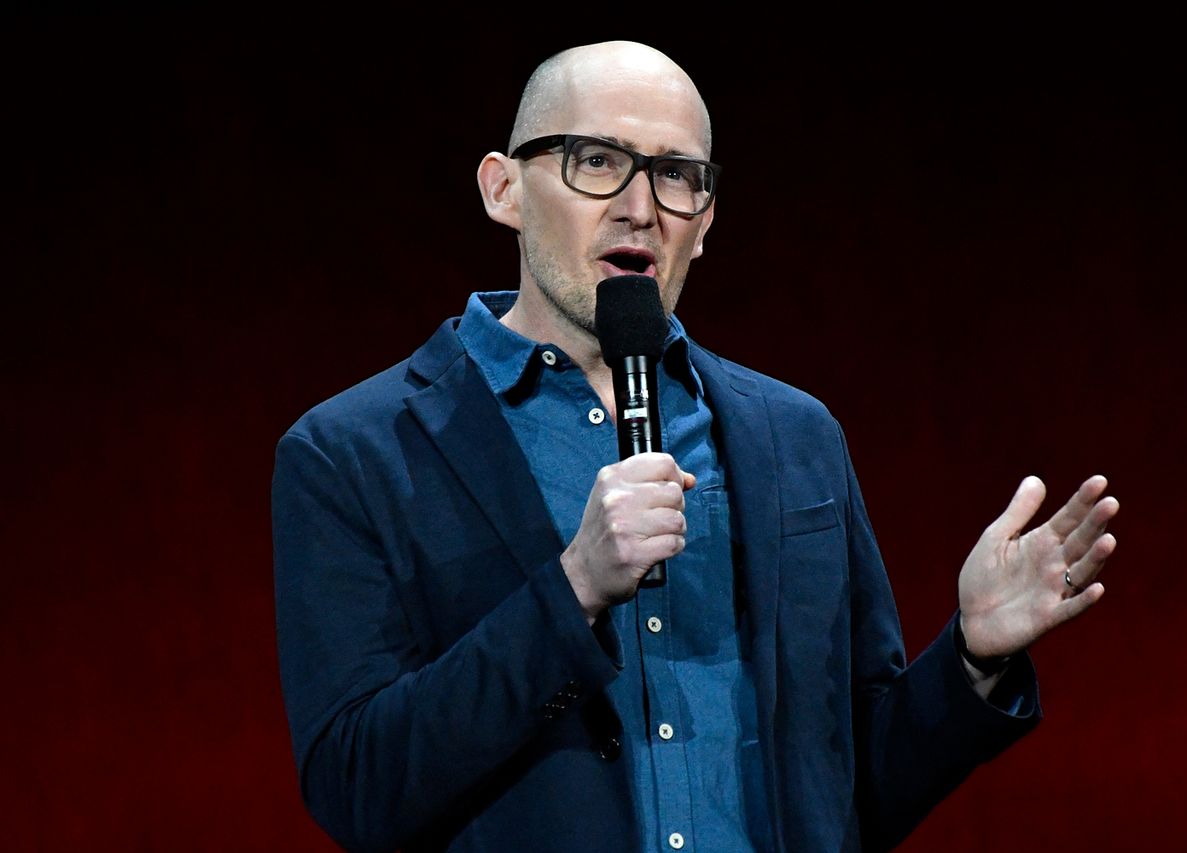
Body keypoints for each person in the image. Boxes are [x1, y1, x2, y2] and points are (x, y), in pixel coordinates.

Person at [272, 41, 1119, 853]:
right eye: (596, 160)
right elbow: (359, 788)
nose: (639, 205)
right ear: (504, 190)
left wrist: (972, 656)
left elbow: (847, 795)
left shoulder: (795, 437)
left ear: (704, 221)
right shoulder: (353, 452)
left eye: (675, 176)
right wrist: (573, 593)